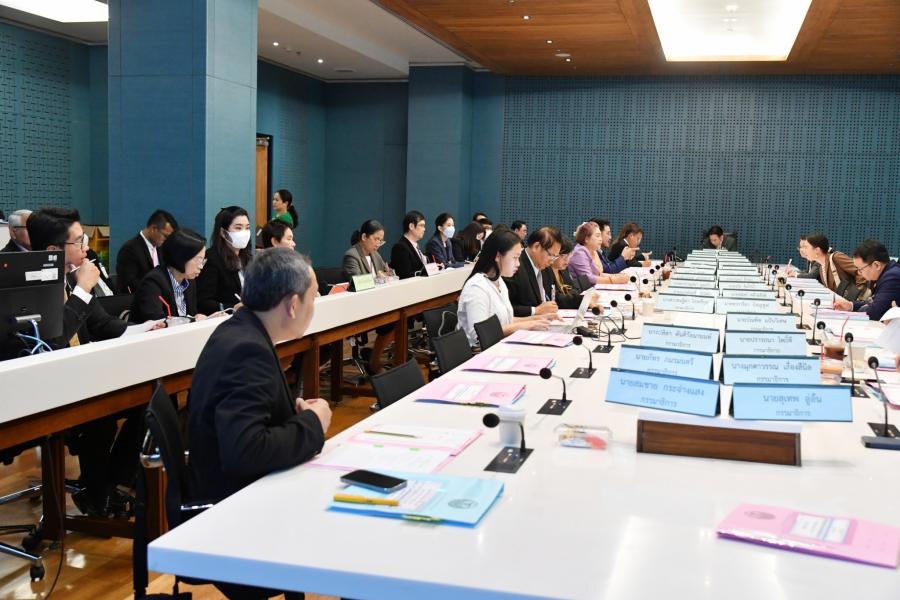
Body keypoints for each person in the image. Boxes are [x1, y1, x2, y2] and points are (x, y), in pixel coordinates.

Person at [188, 248, 331, 599]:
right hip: (237, 516)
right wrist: (312, 424)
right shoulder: (247, 352)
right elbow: (246, 450)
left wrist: (291, 415)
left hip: (235, 493)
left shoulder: (238, 330)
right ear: (292, 304)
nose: (315, 306)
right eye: (313, 297)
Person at [27, 208, 156, 517]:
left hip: (82, 378)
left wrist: (148, 327)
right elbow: (54, 342)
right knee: (100, 419)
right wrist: (83, 289)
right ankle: (98, 495)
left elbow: (103, 324)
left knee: (147, 399)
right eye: (79, 241)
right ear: (53, 250)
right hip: (48, 389)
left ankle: (109, 484)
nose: (86, 248)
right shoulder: (32, 286)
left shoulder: (69, 281)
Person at [457, 230, 553, 346]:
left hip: (500, 346)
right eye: (515, 258)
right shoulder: (476, 287)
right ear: (498, 256)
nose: (518, 264)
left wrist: (537, 319)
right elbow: (479, 334)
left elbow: (507, 321)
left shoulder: (499, 281)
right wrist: (524, 325)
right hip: (480, 352)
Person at [343, 220, 394, 373]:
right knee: (392, 321)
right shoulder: (351, 255)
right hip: (359, 307)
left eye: (381, 240)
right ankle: (374, 361)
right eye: (376, 239)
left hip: (377, 304)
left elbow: (386, 273)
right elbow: (357, 282)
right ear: (364, 237)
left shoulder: (375, 255)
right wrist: (378, 278)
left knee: (398, 319)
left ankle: (374, 356)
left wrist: (388, 274)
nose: (378, 243)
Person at [130, 228, 207, 322]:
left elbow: (191, 314)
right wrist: (192, 320)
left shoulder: (189, 281)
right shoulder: (153, 282)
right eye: (198, 260)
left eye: (203, 260)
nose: (201, 266)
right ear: (180, 257)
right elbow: (156, 321)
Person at [197, 206, 251, 314]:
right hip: (224, 319)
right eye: (238, 228)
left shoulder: (249, 258)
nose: (244, 232)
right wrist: (232, 307)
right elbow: (203, 302)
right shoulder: (212, 259)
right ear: (223, 232)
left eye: (247, 228)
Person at [833, 240, 900, 321]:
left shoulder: (892, 278)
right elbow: (874, 302)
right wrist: (851, 305)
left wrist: (863, 309)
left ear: (876, 265)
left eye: (860, 269)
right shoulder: (887, 273)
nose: (859, 272)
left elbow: (874, 313)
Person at [116, 209, 178, 294]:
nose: (167, 240)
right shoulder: (129, 250)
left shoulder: (161, 248)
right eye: (165, 236)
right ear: (153, 229)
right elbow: (129, 285)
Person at [504, 226, 562, 317]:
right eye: (551, 255)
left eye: (555, 257)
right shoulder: (514, 267)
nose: (552, 261)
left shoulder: (545, 267)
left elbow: (555, 296)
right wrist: (535, 310)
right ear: (536, 247)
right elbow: (505, 308)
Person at [543, 236, 598, 309]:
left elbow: (573, 289)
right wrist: (583, 300)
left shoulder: (563, 269)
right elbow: (556, 299)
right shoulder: (544, 271)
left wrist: (582, 297)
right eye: (563, 256)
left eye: (569, 255)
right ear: (553, 254)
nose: (567, 260)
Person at [804, 232, 866, 297]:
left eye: (806, 247)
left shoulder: (836, 257)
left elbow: (861, 271)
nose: (804, 251)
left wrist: (857, 294)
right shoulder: (821, 266)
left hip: (852, 301)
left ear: (817, 250)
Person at [568, 221, 630, 286]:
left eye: (600, 236)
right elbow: (588, 278)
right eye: (597, 236)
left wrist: (617, 276)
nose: (600, 239)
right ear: (586, 239)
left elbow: (598, 274)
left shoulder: (592, 251)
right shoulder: (579, 253)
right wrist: (613, 280)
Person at [390, 210, 431, 279]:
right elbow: (404, 275)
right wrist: (425, 272)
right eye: (421, 225)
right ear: (411, 226)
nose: (424, 229)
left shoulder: (416, 246)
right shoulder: (400, 247)